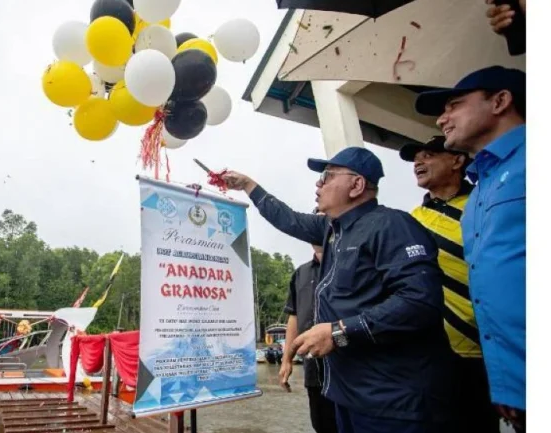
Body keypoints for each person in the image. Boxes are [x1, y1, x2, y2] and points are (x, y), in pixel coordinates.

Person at [222, 147, 454, 433]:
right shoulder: (332, 229)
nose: (318, 184)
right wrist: (248, 185)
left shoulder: (392, 225)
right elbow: (287, 218)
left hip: (393, 402)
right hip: (347, 396)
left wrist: (339, 331)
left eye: (327, 176)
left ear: (356, 185)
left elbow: (421, 301)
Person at [415, 65, 526, 432]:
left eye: (455, 105)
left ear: (500, 101)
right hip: (502, 376)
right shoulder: (482, 190)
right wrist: (509, 380)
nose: (443, 119)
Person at [399, 136, 500, 433]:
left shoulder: (487, 205)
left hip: (483, 354)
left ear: (457, 161)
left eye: (428, 155)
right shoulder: (411, 221)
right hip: (427, 356)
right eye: (416, 158)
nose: (418, 162)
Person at [278, 212, 337, 433]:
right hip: (314, 369)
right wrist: (286, 360)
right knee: (322, 425)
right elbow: (293, 316)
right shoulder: (301, 273)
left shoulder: (351, 262)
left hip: (350, 367)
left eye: (321, 221)